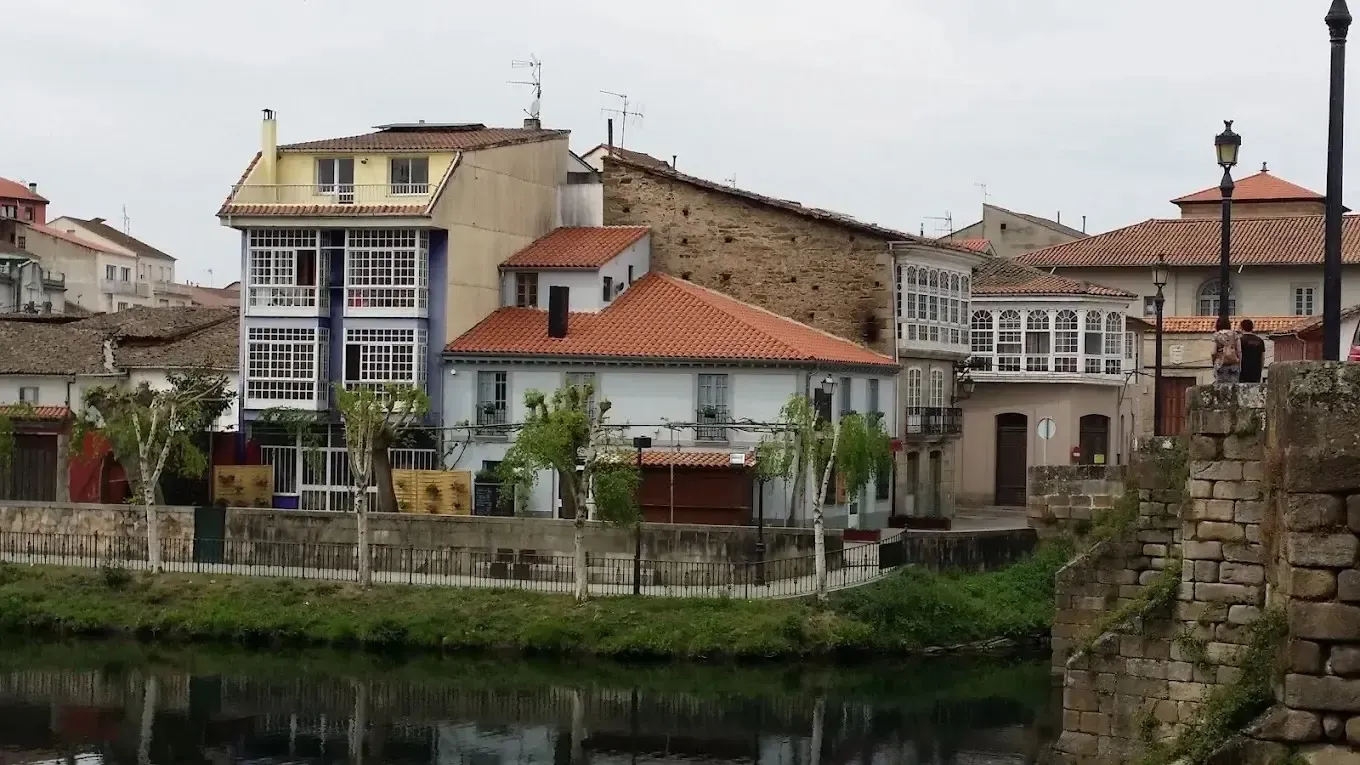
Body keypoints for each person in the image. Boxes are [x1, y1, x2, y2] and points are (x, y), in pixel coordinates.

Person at [1212, 317, 1242, 384]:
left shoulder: (1216, 335)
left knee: (1220, 387)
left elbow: (1213, 352)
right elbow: (1239, 351)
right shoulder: (1235, 334)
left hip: (1220, 363)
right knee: (1234, 387)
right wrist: (1239, 364)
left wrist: (1214, 362)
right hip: (1233, 363)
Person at [1239, 319, 1265, 383]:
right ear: (1252, 328)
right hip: (1256, 371)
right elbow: (1262, 358)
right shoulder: (1260, 340)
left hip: (1243, 371)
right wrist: (1260, 369)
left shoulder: (1240, 340)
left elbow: (1239, 355)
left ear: (1241, 328)